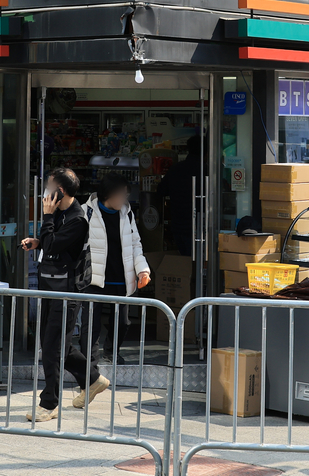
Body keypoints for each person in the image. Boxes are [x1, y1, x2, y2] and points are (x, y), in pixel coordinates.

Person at [20, 167, 109, 422]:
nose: (45, 194)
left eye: (49, 189)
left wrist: (46, 221)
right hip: (51, 289)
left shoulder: (77, 219)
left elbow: (54, 242)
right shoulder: (60, 214)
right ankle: (92, 380)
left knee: (51, 348)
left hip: (66, 293)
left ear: (60, 191)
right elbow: (51, 244)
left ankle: (49, 403)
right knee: (60, 345)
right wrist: (37, 241)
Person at [82, 172, 151, 364]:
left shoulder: (127, 213)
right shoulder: (85, 212)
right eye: (120, 195)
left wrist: (143, 270)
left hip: (121, 277)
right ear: (107, 194)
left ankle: (112, 353)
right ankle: (90, 358)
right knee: (91, 322)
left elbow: (136, 244)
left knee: (122, 322)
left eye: (125, 195)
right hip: (94, 277)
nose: (123, 199)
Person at [155, 134, 202, 256]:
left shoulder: (176, 169)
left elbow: (161, 191)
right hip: (199, 224)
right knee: (199, 259)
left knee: (185, 259)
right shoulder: (206, 170)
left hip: (178, 223)